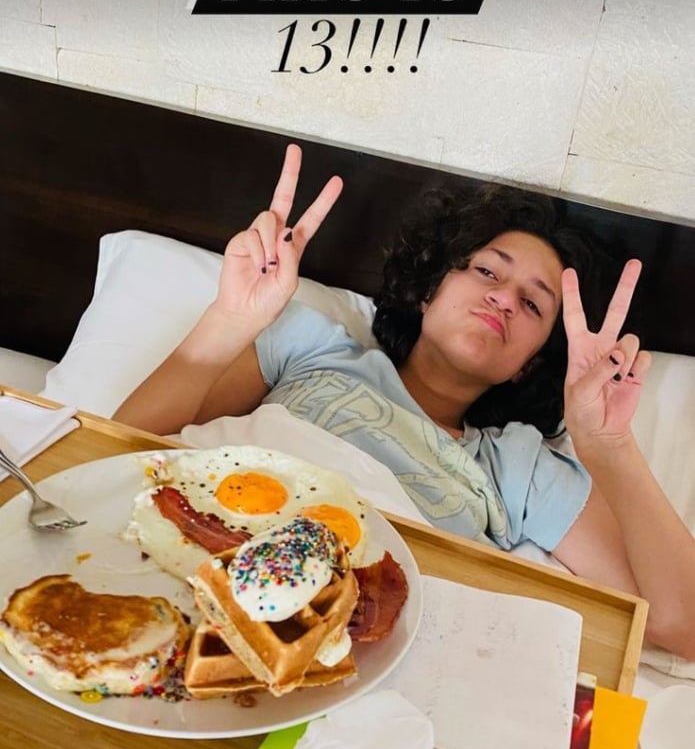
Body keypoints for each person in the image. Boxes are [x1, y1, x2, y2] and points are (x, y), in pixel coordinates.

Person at [116, 145, 695, 660]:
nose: (503, 298)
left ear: (531, 363)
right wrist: (230, 320)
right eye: (488, 269)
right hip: (184, 565)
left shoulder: (517, 466)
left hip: (345, 646)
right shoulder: (312, 346)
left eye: (535, 305)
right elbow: (124, 445)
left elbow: (680, 627)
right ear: (427, 290)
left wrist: (611, 448)